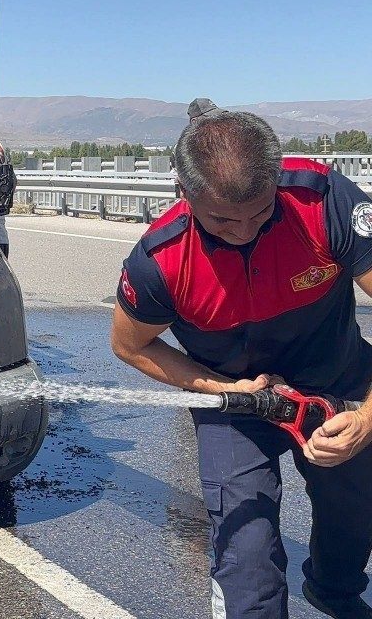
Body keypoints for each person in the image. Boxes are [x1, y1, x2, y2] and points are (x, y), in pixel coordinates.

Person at [111, 99, 372, 619]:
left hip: (340, 377)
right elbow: (129, 346)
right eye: (224, 220)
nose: (245, 231)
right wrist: (220, 390)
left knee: (354, 512)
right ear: (184, 195)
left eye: (260, 212)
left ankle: (333, 589)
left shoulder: (324, 202)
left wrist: (367, 417)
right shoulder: (159, 262)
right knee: (246, 557)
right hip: (234, 402)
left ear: (276, 179)